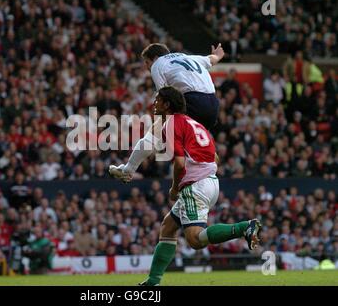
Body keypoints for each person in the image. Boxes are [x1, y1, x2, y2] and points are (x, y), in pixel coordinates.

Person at [137, 87, 261, 286]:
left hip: (194, 186)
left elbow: (179, 164)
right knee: (168, 227)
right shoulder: (195, 124)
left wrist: (175, 188)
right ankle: (153, 281)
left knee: (195, 240)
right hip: (210, 181)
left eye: (158, 100)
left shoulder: (171, 123)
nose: (155, 103)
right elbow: (215, 156)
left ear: (167, 104)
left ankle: (245, 227)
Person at [109, 42, 224, 182]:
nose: (146, 67)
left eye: (147, 62)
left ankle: (128, 170)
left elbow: (164, 95)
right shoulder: (189, 57)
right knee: (198, 141)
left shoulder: (158, 64)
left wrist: (160, 121)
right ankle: (209, 174)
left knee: (155, 132)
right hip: (213, 104)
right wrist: (217, 54)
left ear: (155, 57)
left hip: (192, 100)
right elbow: (212, 59)